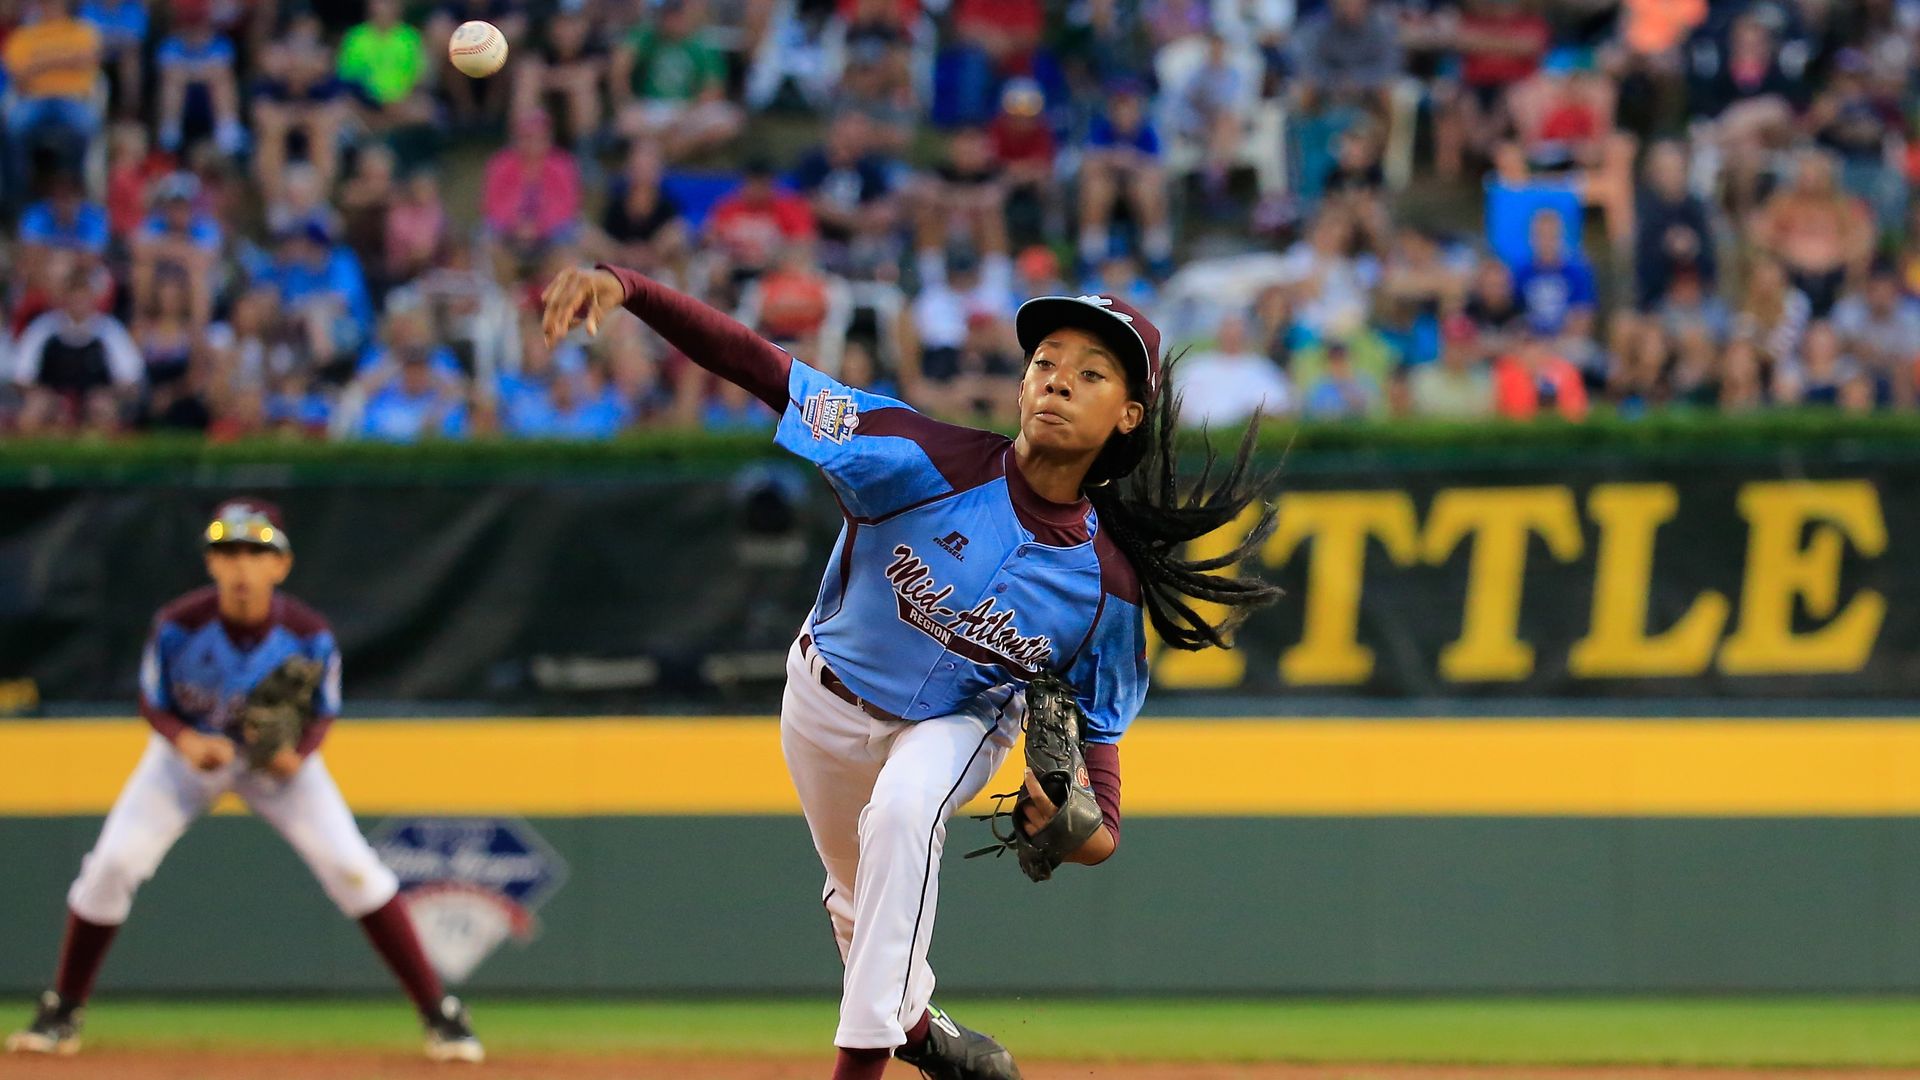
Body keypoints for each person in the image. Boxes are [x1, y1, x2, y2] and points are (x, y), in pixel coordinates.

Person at [539, 263, 1280, 1079]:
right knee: (863, 908)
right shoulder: (915, 456)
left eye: (1092, 373)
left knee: (902, 815)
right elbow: (767, 370)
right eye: (1046, 362)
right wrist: (632, 289)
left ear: (1128, 416)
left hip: (959, 723)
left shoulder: (1107, 588)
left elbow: (1103, 810)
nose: (1059, 381)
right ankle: (923, 1035)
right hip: (819, 699)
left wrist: (1071, 830)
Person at [4, 501, 483, 1063]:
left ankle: (439, 1014)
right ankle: (63, 1010)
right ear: (210, 562)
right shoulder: (178, 625)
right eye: (228, 551)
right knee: (114, 864)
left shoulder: (308, 635)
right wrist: (184, 741)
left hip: (275, 769)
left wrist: (297, 755)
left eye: (256, 552)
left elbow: (324, 711)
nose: (241, 566)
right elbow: (153, 701)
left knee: (353, 870)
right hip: (185, 762)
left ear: (280, 566)